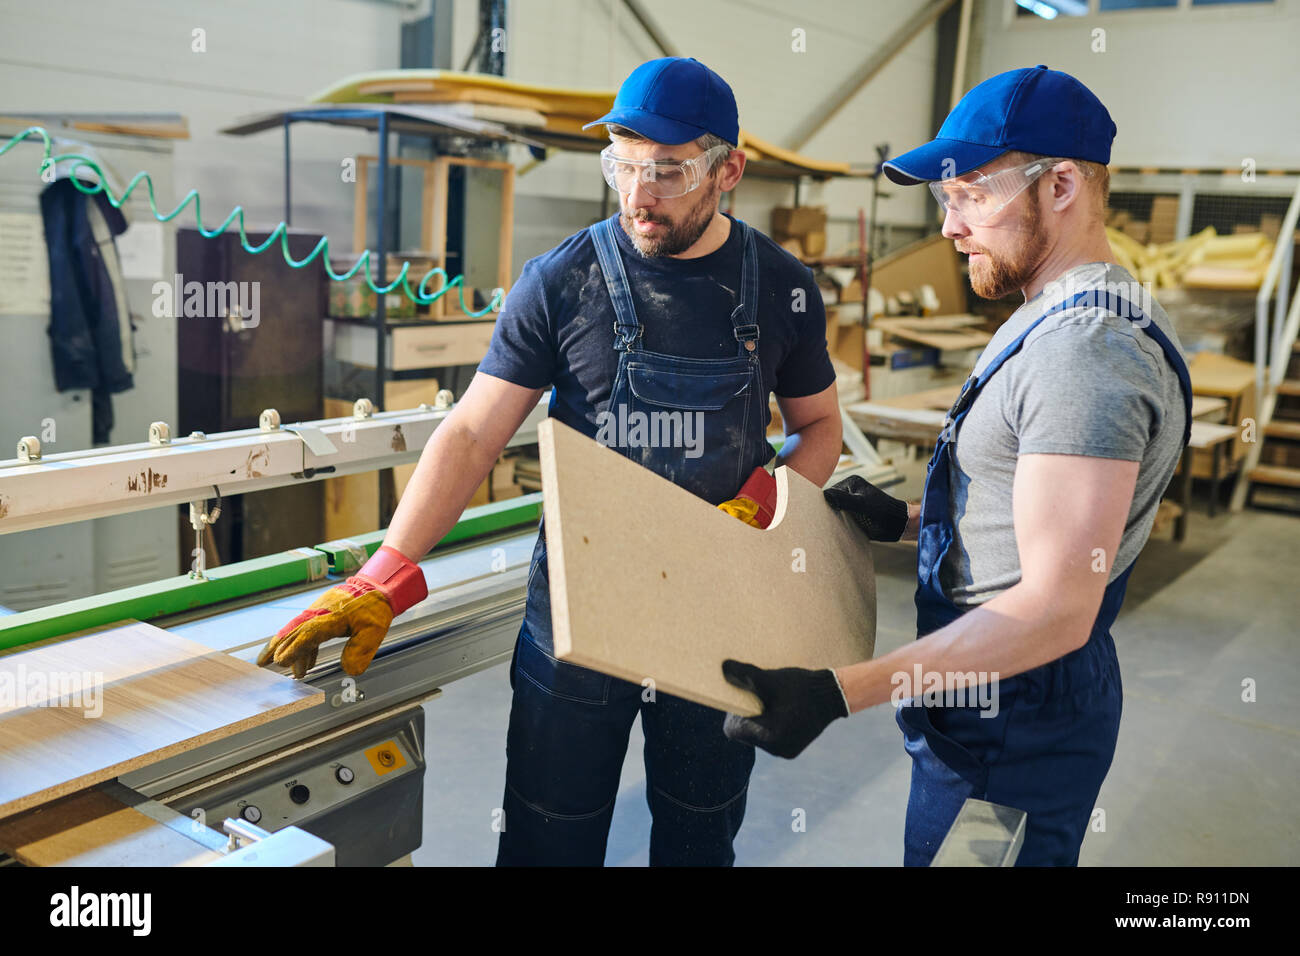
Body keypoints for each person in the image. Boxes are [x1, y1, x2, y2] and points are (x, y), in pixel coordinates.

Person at [258, 56, 842, 866]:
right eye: (623, 167)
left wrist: (762, 501)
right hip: (577, 613)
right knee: (545, 842)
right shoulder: (563, 279)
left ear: (728, 170)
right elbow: (471, 435)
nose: (639, 195)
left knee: (698, 839)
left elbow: (819, 429)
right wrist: (386, 573)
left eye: (668, 172)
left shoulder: (782, 288)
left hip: (717, 609)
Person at [721, 65, 1192, 867]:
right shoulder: (1065, 314)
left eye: (972, 194)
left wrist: (841, 691)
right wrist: (911, 522)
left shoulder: (1086, 354)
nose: (949, 227)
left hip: (1014, 717)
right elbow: (1038, 525)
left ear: (1063, 185)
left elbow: (1054, 608)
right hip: (991, 697)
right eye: (946, 200)